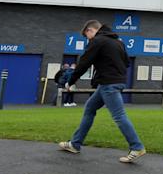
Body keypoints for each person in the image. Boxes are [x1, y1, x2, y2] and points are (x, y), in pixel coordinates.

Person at [58, 20, 145, 163]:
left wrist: (70, 81)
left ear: (91, 30)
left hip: (108, 84)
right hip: (115, 82)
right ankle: (75, 143)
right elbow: (127, 63)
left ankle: (137, 146)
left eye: (87, 36)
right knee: (90, 108)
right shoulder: (118, 41)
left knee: (119, 115)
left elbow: (84, 63)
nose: (88, 39)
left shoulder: (97, 41)